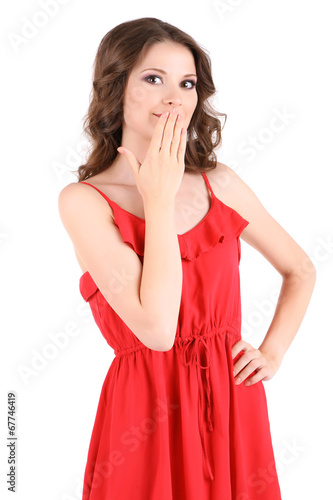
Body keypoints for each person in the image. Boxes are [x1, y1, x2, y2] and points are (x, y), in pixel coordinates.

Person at [58, 17, 316, 500]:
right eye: (153, 78)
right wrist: (158, 201)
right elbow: (156, 330)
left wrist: (272, 354)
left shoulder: (222, 184)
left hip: (234, 403)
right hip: (145, 412)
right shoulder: (83, 201)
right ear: (116, 88)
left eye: (188, 82)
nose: (175, 97)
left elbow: (300, 269)